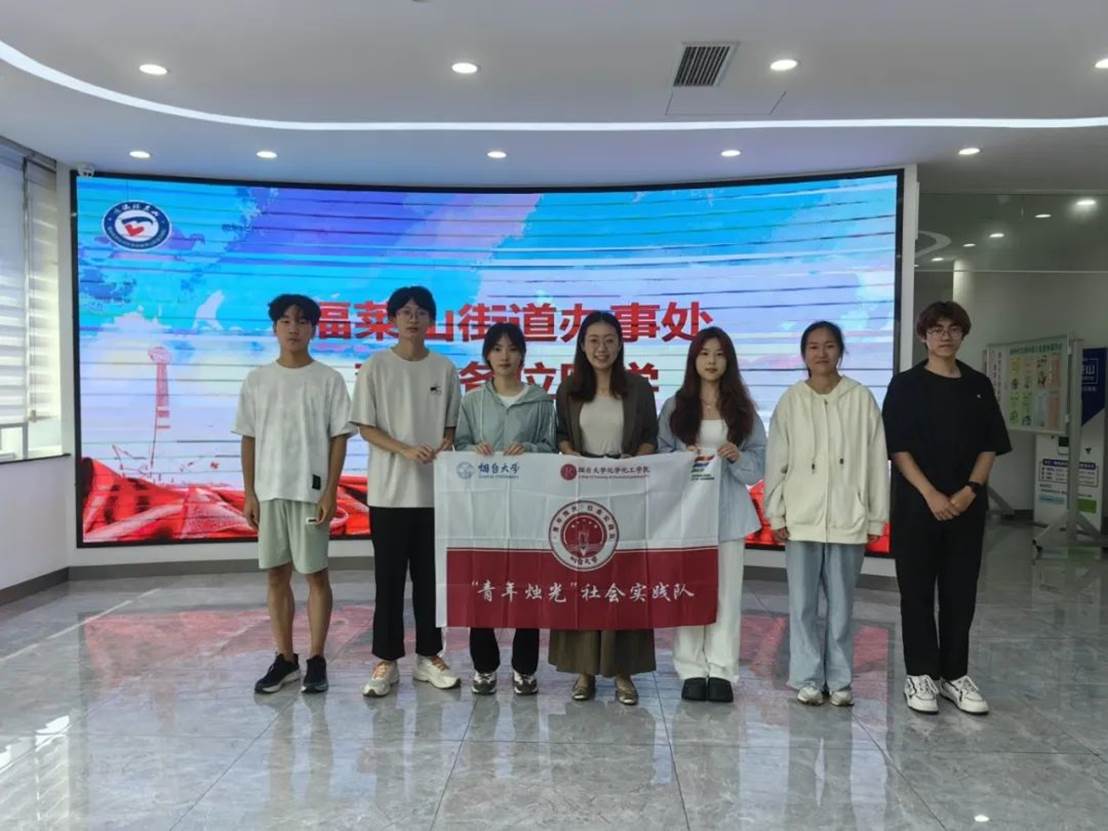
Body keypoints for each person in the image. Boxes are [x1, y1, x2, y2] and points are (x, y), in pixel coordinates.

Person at [882, 301, 1010, 715]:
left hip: (967, 507)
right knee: (916, 592)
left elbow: (991, 444)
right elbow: (898, 448)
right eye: (936, 329)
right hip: (917, 506)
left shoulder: (978, 385)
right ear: (923, 336)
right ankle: (920, 674)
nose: (945, 336)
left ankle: (955, 675)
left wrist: (970, 490)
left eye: (953, 329)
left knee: (960, 592)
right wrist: (931, 495)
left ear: (962, 334)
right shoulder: (905, 385)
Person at [764, 321, 888, 707]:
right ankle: (806, 677)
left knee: (842, 606)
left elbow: (875, 461)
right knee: (801, 605)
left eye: (830, 345)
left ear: (841, 351)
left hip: (848, 517)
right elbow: (777, 461)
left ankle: (840, 680)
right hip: (801, 517)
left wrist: (875, 517)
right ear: (804, 354)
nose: (822, 353)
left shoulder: (860, 398)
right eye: (814, 346)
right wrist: (776, 513)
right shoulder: (791, 400)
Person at [234, 293, 353, 696]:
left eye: (302, 321)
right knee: (275, 574)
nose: (293, 328)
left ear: (313, 328)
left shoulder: (328, 379)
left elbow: (339, 438)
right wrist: (250, 493)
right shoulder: (257, 380)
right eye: (285, 321)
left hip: (309, 493)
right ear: (274, 328)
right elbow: (248, 438)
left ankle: (317, 658)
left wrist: (331, 492)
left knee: (315, 574)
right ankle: (285, 658)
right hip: (269, 492)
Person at [351, 286, 462, 698]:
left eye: (420, 312)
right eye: (405, 312)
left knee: (431, 582)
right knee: (389, 581)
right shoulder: (376, 367)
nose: (413, 319)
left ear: (431, 320)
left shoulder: (444, 368)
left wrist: (444, 445)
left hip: (434, 495)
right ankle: (386, 660)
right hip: (389, 494)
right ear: (392, 319)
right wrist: (405, 449)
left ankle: (429, 656)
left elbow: (452, 427)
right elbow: (366, 427)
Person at [548, 311, 658, 705]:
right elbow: (561, 435)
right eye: (593, 340)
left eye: (610, 340)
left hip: (626, 490)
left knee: (624, 580)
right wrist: (571, 454)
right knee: (582, 579)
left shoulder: (639, 388)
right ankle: (584, 671)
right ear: (581, 345)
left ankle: (623, 671)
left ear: (620, 344)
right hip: (581, 492)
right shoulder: (568, 389)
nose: (602, 348)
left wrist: (633, 462)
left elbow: (651, 437)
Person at [657, 327, 765, 703]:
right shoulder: (675, 405)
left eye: (719, 354)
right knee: (689, 589)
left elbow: (759, 463)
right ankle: (690, 668)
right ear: (694, 360)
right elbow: (659, 455)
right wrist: (679, 458)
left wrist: (738, 457)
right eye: (704, 353)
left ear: (729, 360)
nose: (712, 361)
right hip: (687, 513)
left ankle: (721, 669)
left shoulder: (742, 409)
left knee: (726, 594)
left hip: (729, 512)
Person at [454, 322, 556, 696]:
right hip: (483, 509)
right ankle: (484, 666)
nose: (505, 356)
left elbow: (552, 448)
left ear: (523, 355)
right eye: (497, 349)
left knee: (527, 584)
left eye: (512, 349)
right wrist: (472, 450)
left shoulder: (541, 401)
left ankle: (525, 668)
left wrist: (530, 449)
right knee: (483, 584)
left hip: (527, 508)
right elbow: (459, 446)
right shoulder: (472, 401)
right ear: (486, 356)